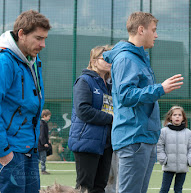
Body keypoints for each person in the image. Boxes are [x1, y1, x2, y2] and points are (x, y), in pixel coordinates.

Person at [103, 12, 184, 193]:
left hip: (144, 137)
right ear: (141, 30)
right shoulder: (126, 59)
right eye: (153, 30)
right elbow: (125, 95)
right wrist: (160, 88)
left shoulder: (138, 58)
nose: (156, 35)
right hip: (133, 137)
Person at [0, 10, 51, 193]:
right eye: (38, 38)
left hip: (29, 150)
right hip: (10, 153)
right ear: (21, 34)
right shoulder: (4, 61)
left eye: (44, 39)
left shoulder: (33, 61)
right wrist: (4, 153)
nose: (43, 44)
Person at [68, 45, 114, 193]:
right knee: (84, 187)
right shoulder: (84, 80)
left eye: (111, 59)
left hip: (106, 143)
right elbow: (83, 110)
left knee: (100, 186)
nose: (109, 62)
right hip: (87, 141)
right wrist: (112, 119)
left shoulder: (110, 85)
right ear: (94, 61)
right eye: (105, 58)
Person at [157, 106, 191, 193]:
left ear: (183, 118)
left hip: (183, 166)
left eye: (179, 115)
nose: (177, 117)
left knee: (178, 190)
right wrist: (163, 159)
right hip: (168, 166)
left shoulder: (188, 133)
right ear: (170, 117)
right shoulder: (163, 132)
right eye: (175, 115)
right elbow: (159, 146)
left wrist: (189, 160)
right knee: (164, 189)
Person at [38, 109, 52, 175]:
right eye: (48, 116)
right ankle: (43, 170)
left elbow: (45, 134)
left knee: (40, 158)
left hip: (41, 144)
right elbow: (42, 134)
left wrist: (48, 140)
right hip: (41, 145)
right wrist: (44, 143)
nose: (49, 118)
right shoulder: (42, 124)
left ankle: (40, 170)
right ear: (44, 116)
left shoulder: (43, 123)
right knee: (42, 158)